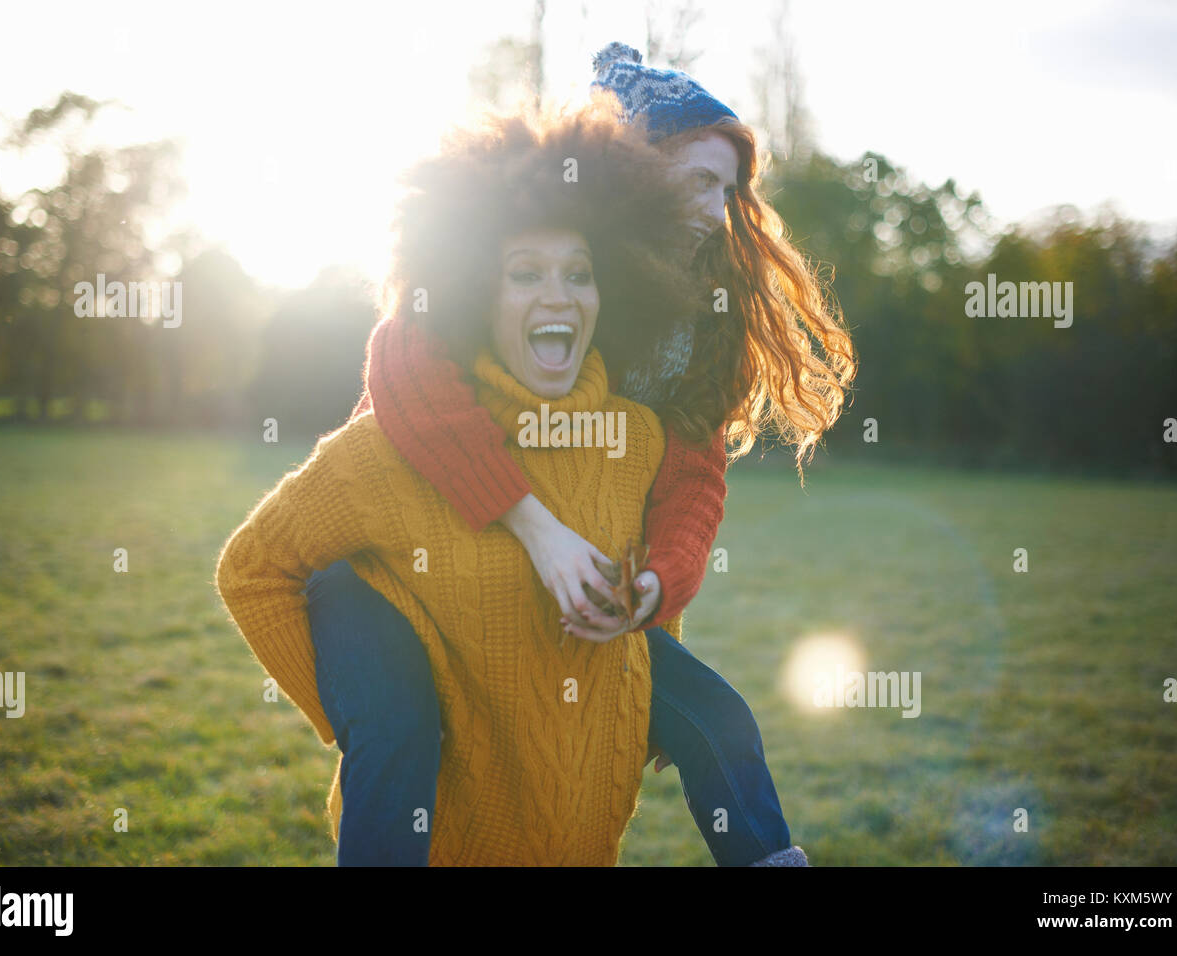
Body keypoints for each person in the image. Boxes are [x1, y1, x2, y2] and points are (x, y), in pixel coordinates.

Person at [304, 43, 854, 865]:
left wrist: (655, 590)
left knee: (718, 721)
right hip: (405, 560)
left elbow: (694, 479)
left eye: (730, 189)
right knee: (402, 737)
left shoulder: (700, 316)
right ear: (632, 168)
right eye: (701, 179)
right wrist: (535, 527)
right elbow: (404, 372)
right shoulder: (525, 247)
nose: (719, 207)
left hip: (563, 586)